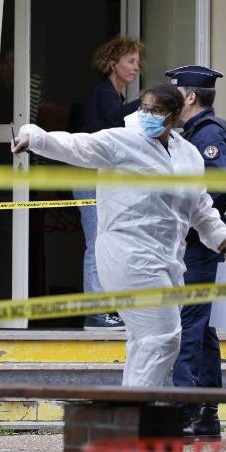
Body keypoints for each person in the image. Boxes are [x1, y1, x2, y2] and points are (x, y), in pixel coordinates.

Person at [14, 83, 226, 387]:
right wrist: (33, 137)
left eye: (156, 110)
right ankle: (140, 407)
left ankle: (132, 406)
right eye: (144, 108)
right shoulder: (123, 140)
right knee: (163, 338)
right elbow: (77, 145)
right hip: (128, 254)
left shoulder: (188, 155)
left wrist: (225, 246)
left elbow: (200, 206)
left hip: (166, 260)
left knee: (144, 341)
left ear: (174, 114)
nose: (147, 115)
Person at [165, 66, 226, 439]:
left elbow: (224, 183)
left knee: (189, 326)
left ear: (190, 96)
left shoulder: (208, 132)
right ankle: (206, 414)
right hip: (198, 244)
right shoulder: (193, 133)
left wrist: (191, 215)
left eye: (175, 92)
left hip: (200, 245)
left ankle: (186, 411)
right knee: (202, 329)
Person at [69, 35, 144, 331]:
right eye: (130, 61)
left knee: (104, 243)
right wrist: (148, 102)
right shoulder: (104, 93)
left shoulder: (113, 95)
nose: (136, 67)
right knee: (97, 243)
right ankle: (97, 312)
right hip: (89, 177)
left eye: (138, 62)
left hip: (98, 178)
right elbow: (117, 122)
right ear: (113, 64)